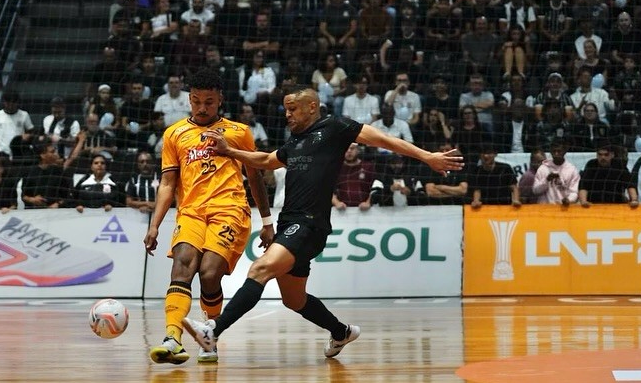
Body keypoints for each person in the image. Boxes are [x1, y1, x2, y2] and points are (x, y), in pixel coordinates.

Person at [181, 88, 462, 359]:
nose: (287, 115)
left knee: (260, 269)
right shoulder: (295, 141)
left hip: (310, 224)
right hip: (290, 222)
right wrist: (230, 151)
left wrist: (427, 156)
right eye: (285, 110)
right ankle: (341, 332)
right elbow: (266, 160)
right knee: (294, 300)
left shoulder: (336, 127)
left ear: (312, 107)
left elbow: (383, 139)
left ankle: (213, 330)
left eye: (292, 109)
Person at [144, 68, 275, 365]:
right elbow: (167, 184)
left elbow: (255, 178)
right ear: (189, 100)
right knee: (182, 266)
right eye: (197, 102)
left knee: (210, 273)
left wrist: (267, 223)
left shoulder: (238, 132)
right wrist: (154, 225)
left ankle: (210, 335)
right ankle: (172, 337)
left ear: (220, 101)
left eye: (210, 102)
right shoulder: (174, 134)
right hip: (190, 211)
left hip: (230, 209)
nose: (203, 108)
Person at [468, 143, 521, 208]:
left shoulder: (505, 168)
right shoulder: (476, 171)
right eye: (483, 153)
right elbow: (477, 190)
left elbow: (514, 188)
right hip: (485, 208)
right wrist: (476, 201)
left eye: (489, 153)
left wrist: (516, 200)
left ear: (495, 154)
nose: (486, 156)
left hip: (505, 207)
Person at [532, 138, 580, 205]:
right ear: (550, 151)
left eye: (559, 151)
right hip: (545, 209)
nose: (556, 154)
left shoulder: (572, 170)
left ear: (565, 151)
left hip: (563, 208)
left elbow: (574, 192)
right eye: (554, 151)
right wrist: (546, 180)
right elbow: (535, 191)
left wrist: (569, 200)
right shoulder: (543, 168)